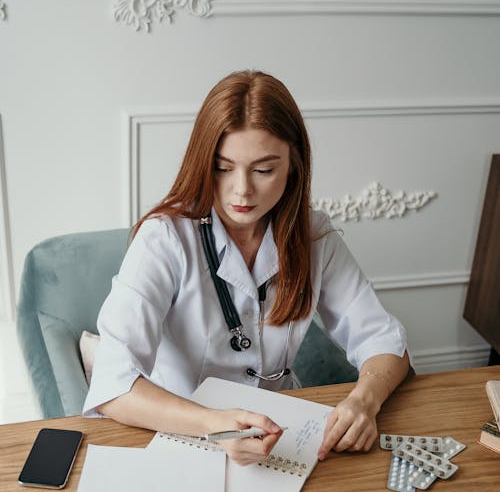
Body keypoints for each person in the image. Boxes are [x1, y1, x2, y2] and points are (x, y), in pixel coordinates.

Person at [83, 69, 410, 465]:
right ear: (204, 162)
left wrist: (364, 401)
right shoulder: (164, 239)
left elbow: (384, 340)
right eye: (223, 168)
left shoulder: (313, 234)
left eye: (263, 170)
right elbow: (113, 385)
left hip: (286, 431)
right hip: (184, 431)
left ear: (293, 166)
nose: (241, 190)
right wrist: (214, 426)